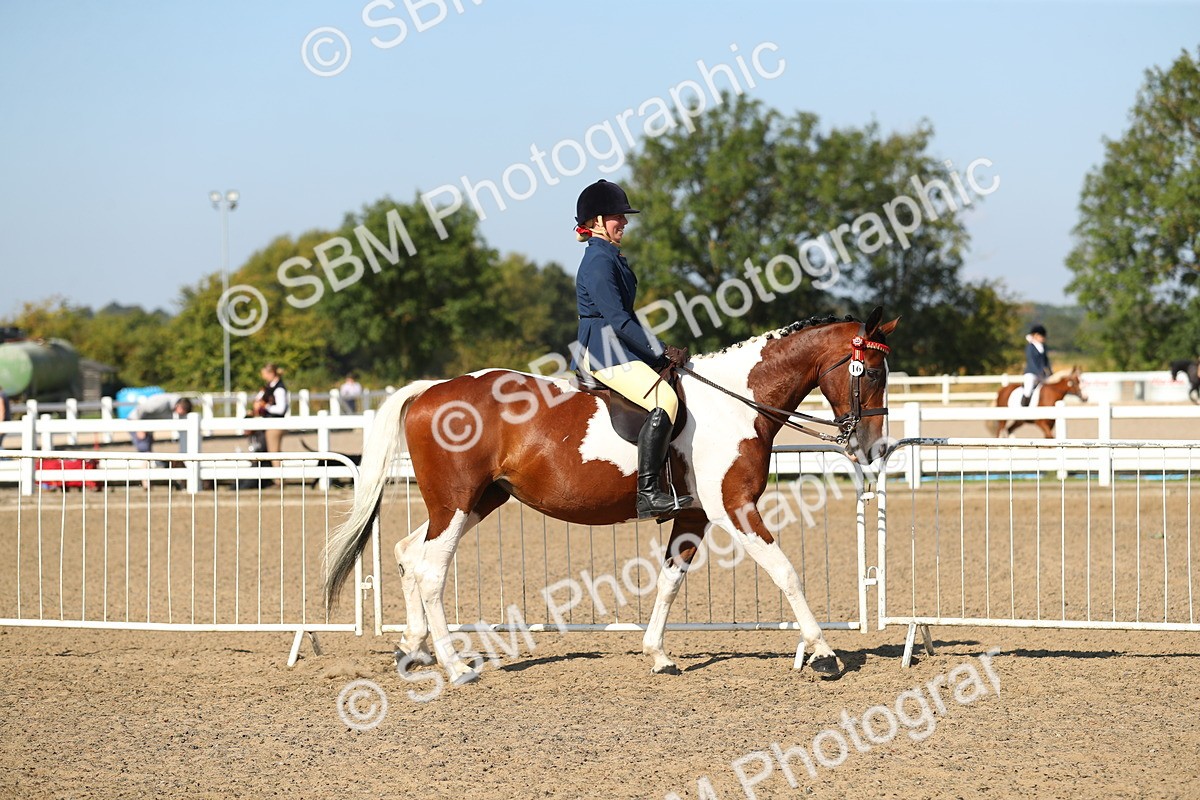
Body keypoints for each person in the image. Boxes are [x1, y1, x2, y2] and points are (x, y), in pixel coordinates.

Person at [572, 179, 693, 520]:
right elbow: (618, 318)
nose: (624, 222)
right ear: (596, 222)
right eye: (616, 217)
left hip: (616, 345)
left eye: (624, 217)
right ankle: (648, 492)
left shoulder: (610, 256)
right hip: (602, 350)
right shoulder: (598, 260)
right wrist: (660, 351)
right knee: (664, 399)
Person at [253, 363, 289, 456]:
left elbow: (281, 409)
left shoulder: (279, 389)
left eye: (264, 374)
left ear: (271, 373)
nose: (263, 377)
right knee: (269, 452)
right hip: (269, 423)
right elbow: (259, 398)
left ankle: (277, 470)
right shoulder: (269, 387)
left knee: (274, 454)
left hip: (275, 424)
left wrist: (265, 407)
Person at [1021, 324, 1052, 406]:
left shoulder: (1043, 347)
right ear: (1035, 335)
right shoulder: (1030, 347)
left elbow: (1046, 361)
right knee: (1028, 390)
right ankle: (1024, 408)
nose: (1043, 337)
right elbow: (1031, 361)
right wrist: (1039, 372)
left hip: (1041, 374)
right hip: (1031, 372)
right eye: (1041, 336)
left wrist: (1050, 371)